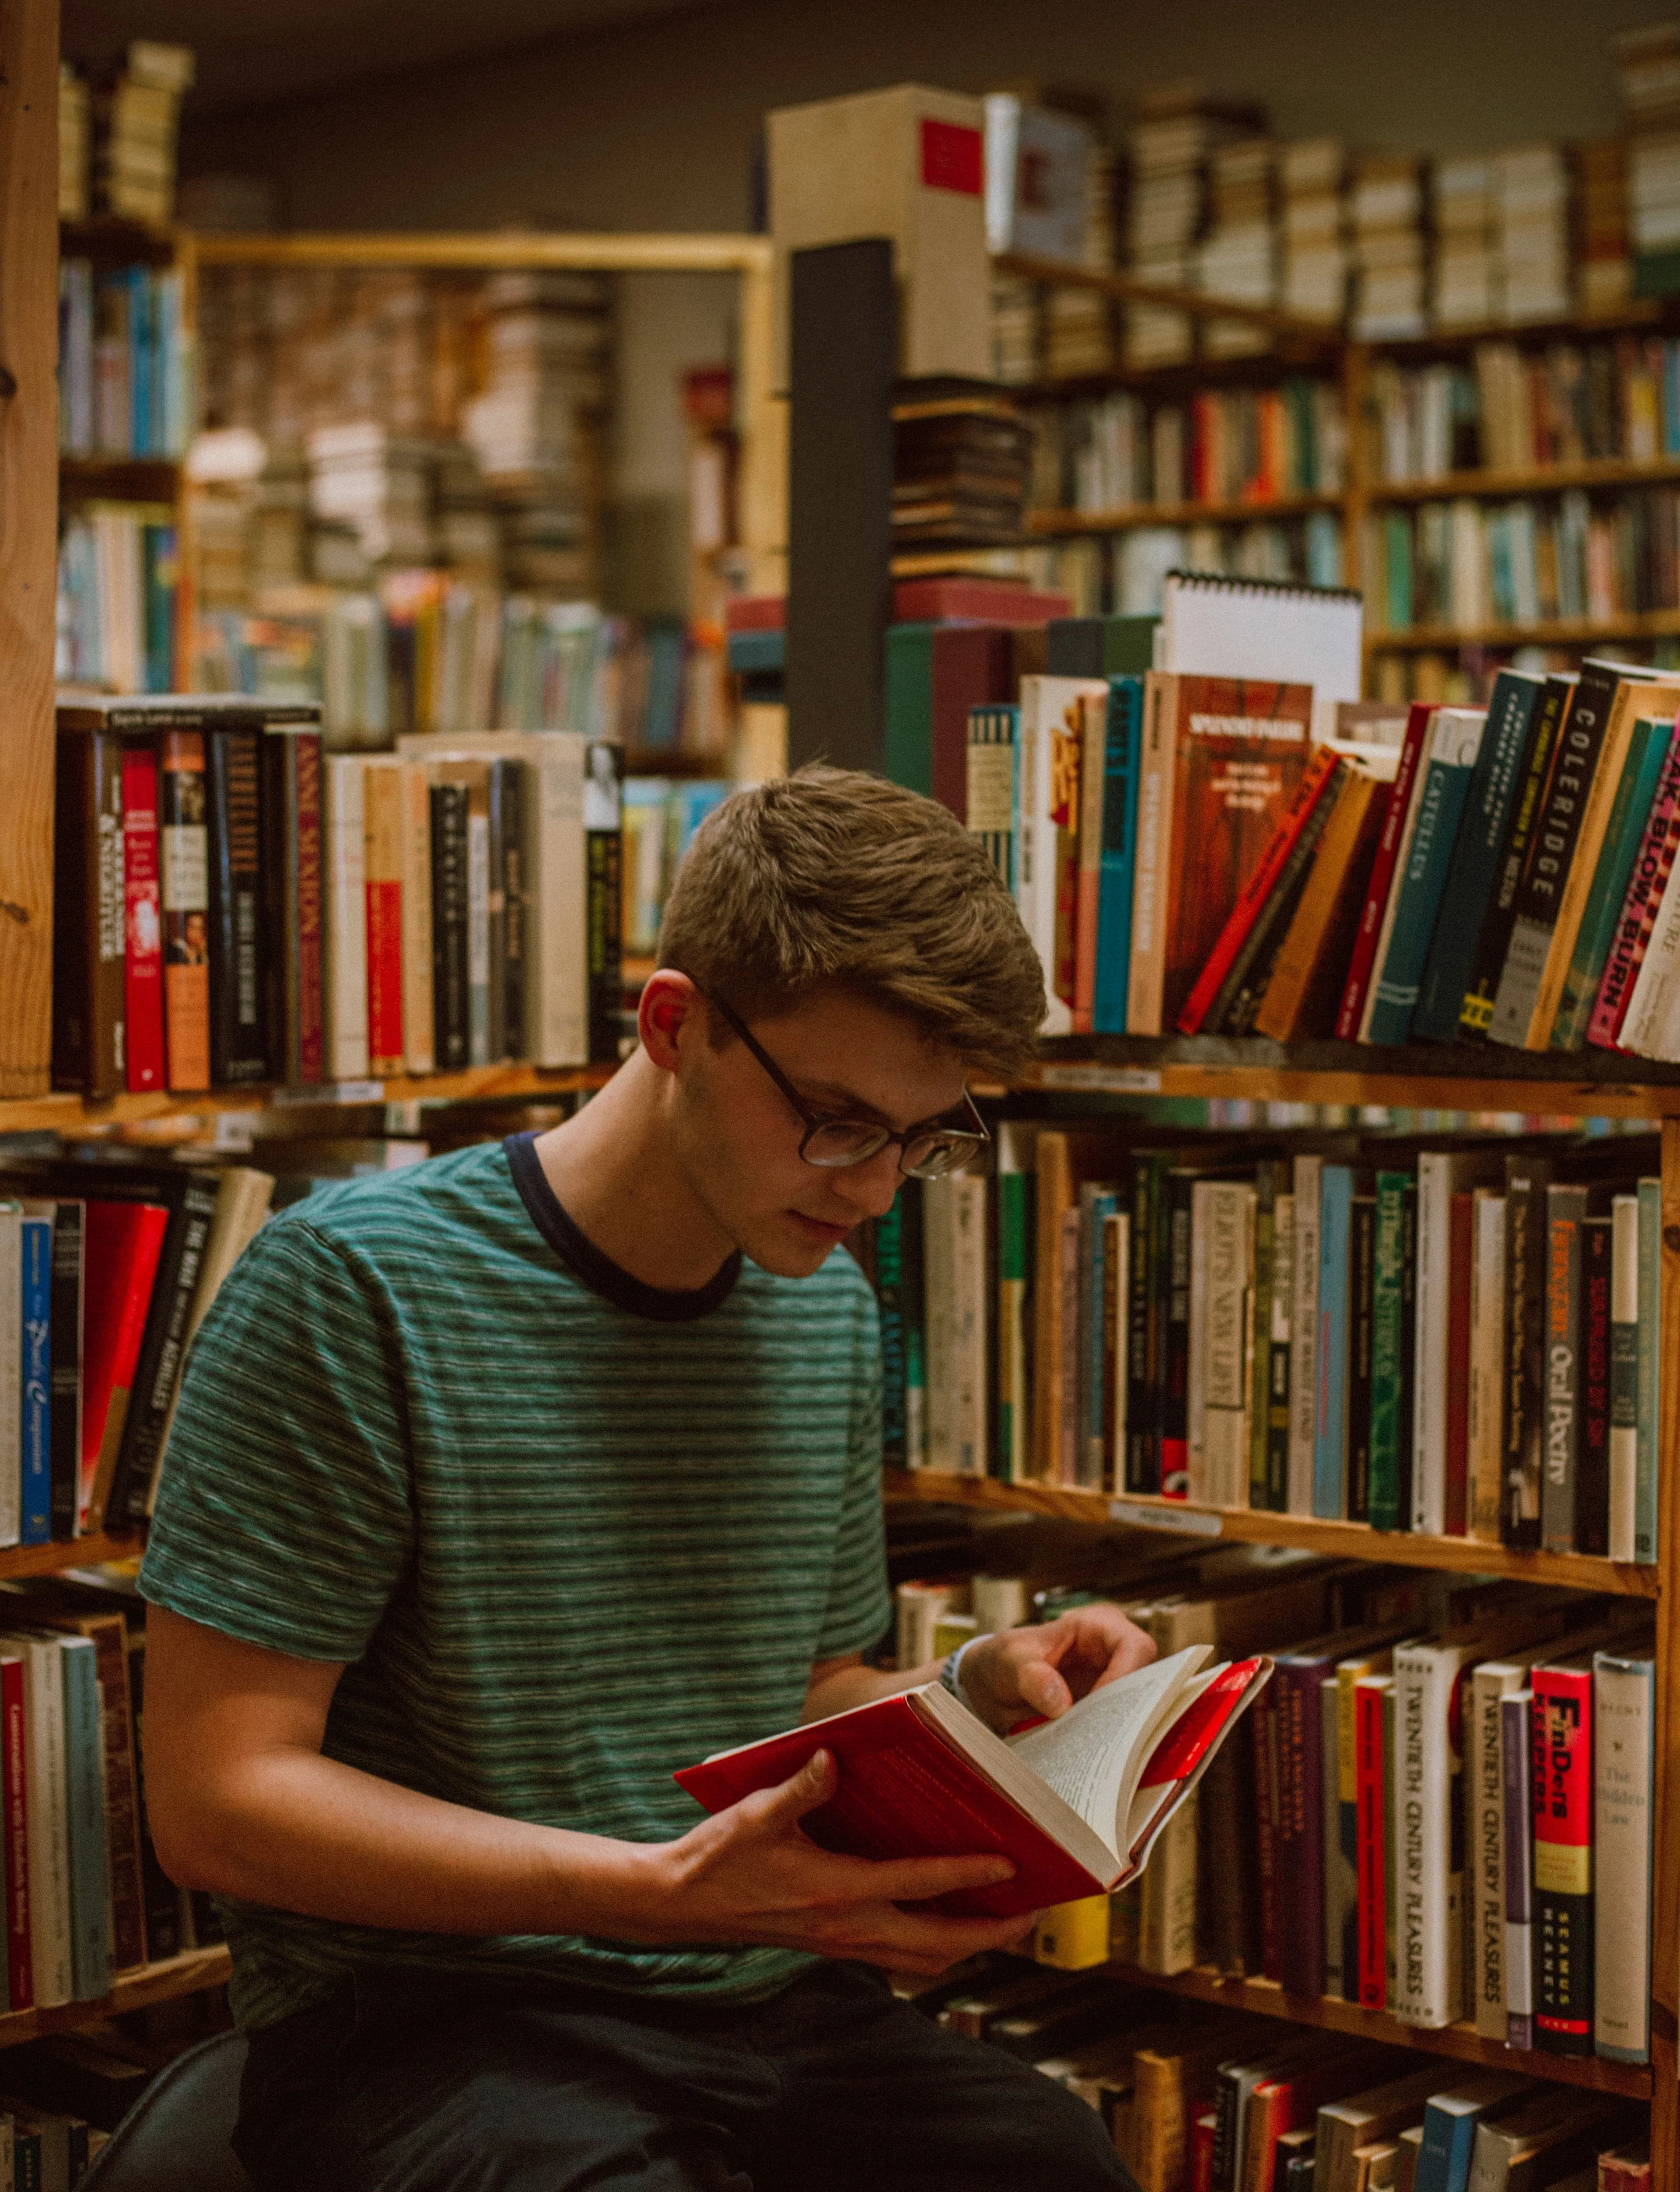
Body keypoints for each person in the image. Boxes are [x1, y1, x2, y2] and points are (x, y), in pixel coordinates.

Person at [141, 766, 1155, 2192]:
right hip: (434, 2021)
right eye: (839, 1117)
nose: (873, 1184)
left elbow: (803, 1690)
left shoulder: (821, 1304)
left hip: (764, 1996)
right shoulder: (353, 1287)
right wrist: (649, 1891)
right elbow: (215, 1796)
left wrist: (984, 1692)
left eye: (925, 1138)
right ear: (671, 1023)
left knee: (1060, 2164)